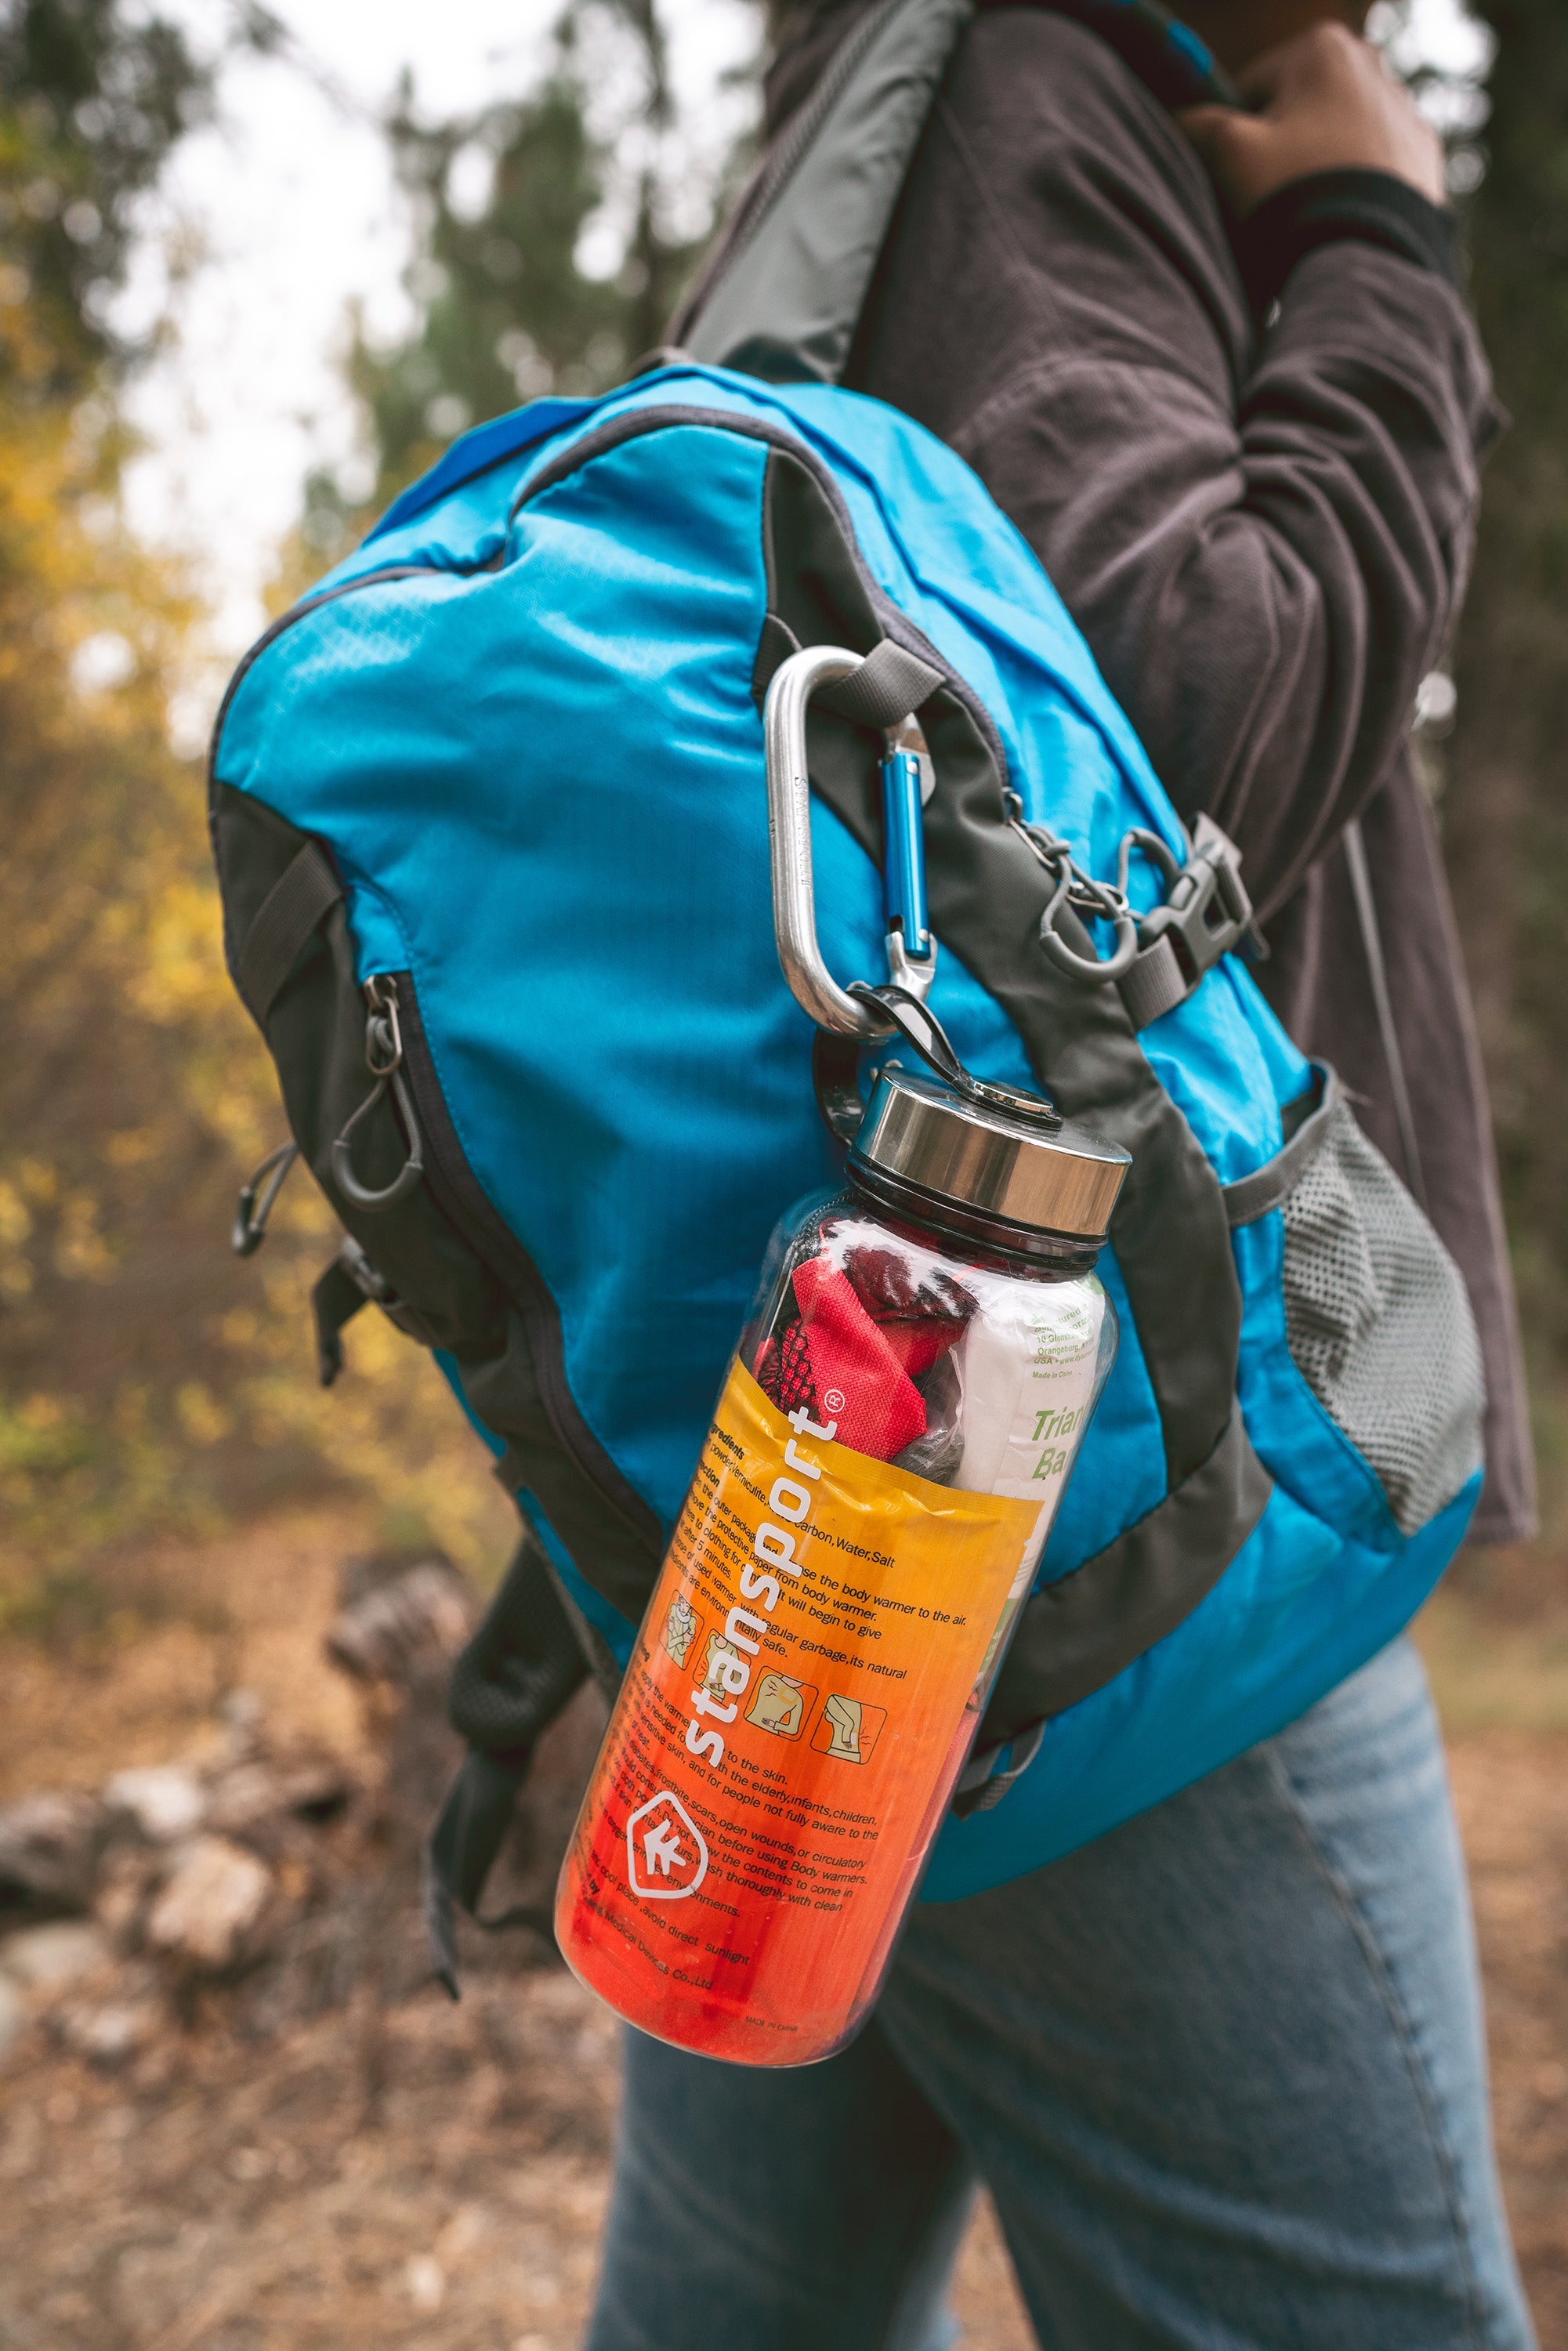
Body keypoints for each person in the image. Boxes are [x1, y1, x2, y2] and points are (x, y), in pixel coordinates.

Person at [583, 4, 1539, 2344]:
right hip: (1138, 1522)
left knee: (736, 2318)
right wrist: (1371, 245)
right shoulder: (1026, 90)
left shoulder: (892, 125)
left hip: (864, 1491)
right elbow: (1209, 719)